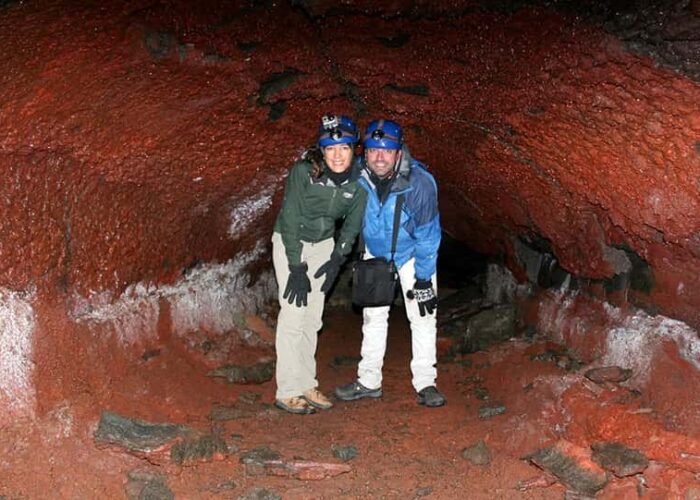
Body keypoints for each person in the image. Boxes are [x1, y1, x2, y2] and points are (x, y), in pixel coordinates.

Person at [335, 119, 446, 407]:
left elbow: (428, 235)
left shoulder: (419, 184)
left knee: (422, 317)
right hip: (376, 252)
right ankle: (368, 381)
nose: (379, 157)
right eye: (373, 150)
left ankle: (425, 383)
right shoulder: (357, 173)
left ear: (399, 152)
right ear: (365, 152)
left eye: (386, 151)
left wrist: (423, 278)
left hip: (411, 255)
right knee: (373, 318)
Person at [271, 114, 367, 414]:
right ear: (321, 151)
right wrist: (295, 266)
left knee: (313, 316)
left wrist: (339, 254)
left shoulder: (360, 181)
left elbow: (353, 221)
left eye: (344, 147)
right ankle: (287, 389)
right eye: (330, 148)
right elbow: (289, 218)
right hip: (292, 241)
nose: (337, 155)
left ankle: (306, 382)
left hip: (324, 245)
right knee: (293, 313)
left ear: (354, 149)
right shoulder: (305, 172)